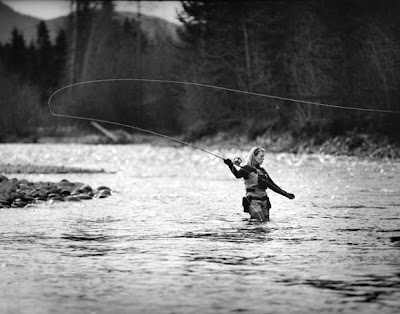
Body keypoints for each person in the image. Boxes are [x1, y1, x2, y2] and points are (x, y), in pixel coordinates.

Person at [224, 146, 295, 222]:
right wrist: (230, 165)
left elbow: (273, 186)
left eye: (263, 157)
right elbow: (237, 175)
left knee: (266, 222)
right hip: (253, 202)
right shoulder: (246, 169)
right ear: (254, 157)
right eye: (261, 156)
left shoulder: (263, 171)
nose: (263, 159)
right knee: (259, 221)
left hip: (265, 202)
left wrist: (286, 194)